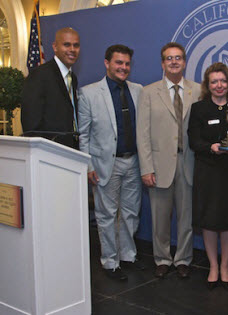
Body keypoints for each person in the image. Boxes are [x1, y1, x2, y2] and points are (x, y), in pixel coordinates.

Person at [78, 45, 144, 281]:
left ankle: (127, 255)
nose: (123, 68)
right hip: (106, 163)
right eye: (118, 63)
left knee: (130, 213)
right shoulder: (89, 93)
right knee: (106, 215)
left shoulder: (138, 91)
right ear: (107, 63)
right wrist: (88, 166)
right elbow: (83, 135)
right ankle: (110, 261)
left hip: (134, 162)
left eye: (127, 64)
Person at [137, 42, 200, 279]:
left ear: (184, 62)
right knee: (159, 218)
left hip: (189, 163)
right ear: (162, 63)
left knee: (187, 218)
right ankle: (162, 258)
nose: (174, 62)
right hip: (159, 166)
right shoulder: (149, 92)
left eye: (178, 58)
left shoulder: (198, 90)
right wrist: (146, 167)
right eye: (169, 58)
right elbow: (142, 134)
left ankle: (183, 258)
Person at [188, 62, 228, 290]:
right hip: (208, 171)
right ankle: (213, 266)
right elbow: (194, 140)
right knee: (210, 221)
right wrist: (210, 147)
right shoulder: (199, 108)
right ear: (208, 85)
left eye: (223, 81)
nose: (219, 85)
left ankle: (225, 266)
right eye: (214, 82)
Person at [21, 27, 80, 149]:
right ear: (55, 47)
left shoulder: (72, 78)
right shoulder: (39, 75)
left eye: (76, 45)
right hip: (49, 153)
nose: (72, 49)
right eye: (67, 45)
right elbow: (31, 124)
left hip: (71, 150)